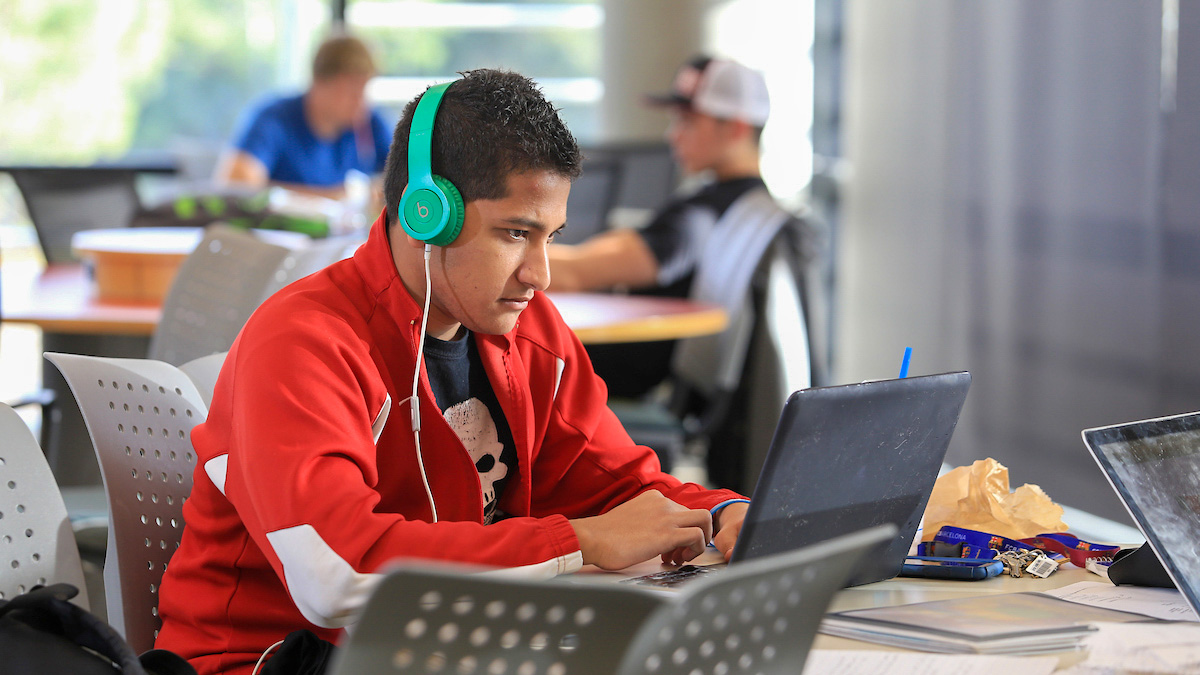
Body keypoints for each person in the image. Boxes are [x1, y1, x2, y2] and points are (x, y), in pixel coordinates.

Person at [155, 68, 750, 675]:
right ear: (424, 216)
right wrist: (579, 542)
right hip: (270, 663)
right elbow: (336, 577)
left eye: (551, 237)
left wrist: (725, 513)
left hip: (443, 652)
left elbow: (620, 489)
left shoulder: (530, 332)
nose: (540, 274)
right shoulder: (303, 341)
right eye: (516, 234)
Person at [547, 56, 772, 397]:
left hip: (601, 380)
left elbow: (577, 272)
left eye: (688, 121)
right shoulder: (745, 210)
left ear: (736, 128)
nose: (673, 135)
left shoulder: (702, 219)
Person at [214, 33, 391, 199]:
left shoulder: (369, 124)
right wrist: (335, 197)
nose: (360, 101)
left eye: (364, 89)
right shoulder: (274, 119)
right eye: (351, 91)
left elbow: (408, 176)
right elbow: (236, 186)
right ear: (319, 82)